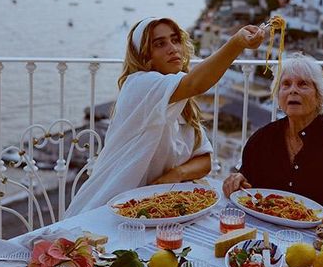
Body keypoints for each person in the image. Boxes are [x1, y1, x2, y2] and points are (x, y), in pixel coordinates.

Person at [65, 16, 265, 217]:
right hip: (106, 207)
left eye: (175, 40)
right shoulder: (139, 85)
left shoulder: (181, 105)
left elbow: (204, 160)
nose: (172, 48)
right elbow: (196, 83)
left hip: (150, 207)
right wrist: (237, 42)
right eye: (160, 44)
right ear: (144, 56)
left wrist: (175, 175)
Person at [222, 53, 323, 230]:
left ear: (319, 96)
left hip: (320, 240)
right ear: (278, 96)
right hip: (264, 235)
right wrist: (236, 181)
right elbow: (246, 187)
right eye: (286, 85)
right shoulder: (261, 140)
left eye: (303, 84)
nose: (293, 90)